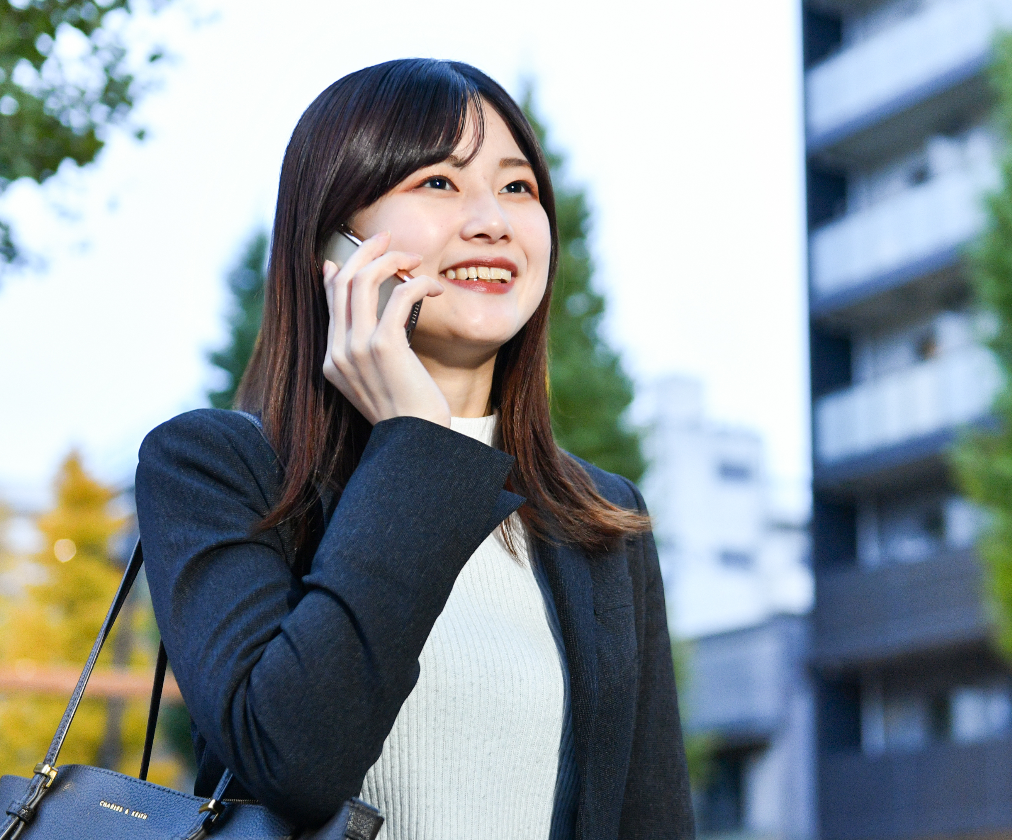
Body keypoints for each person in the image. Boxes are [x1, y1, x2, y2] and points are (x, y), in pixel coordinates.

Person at [134, 58, 694, 840]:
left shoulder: (598, 515)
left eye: (517, 187)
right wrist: (419, 443)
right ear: (334, 238)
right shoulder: (219, 469)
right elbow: (293, 761)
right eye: (438, 183)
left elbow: (649, 818)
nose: (491, 220)